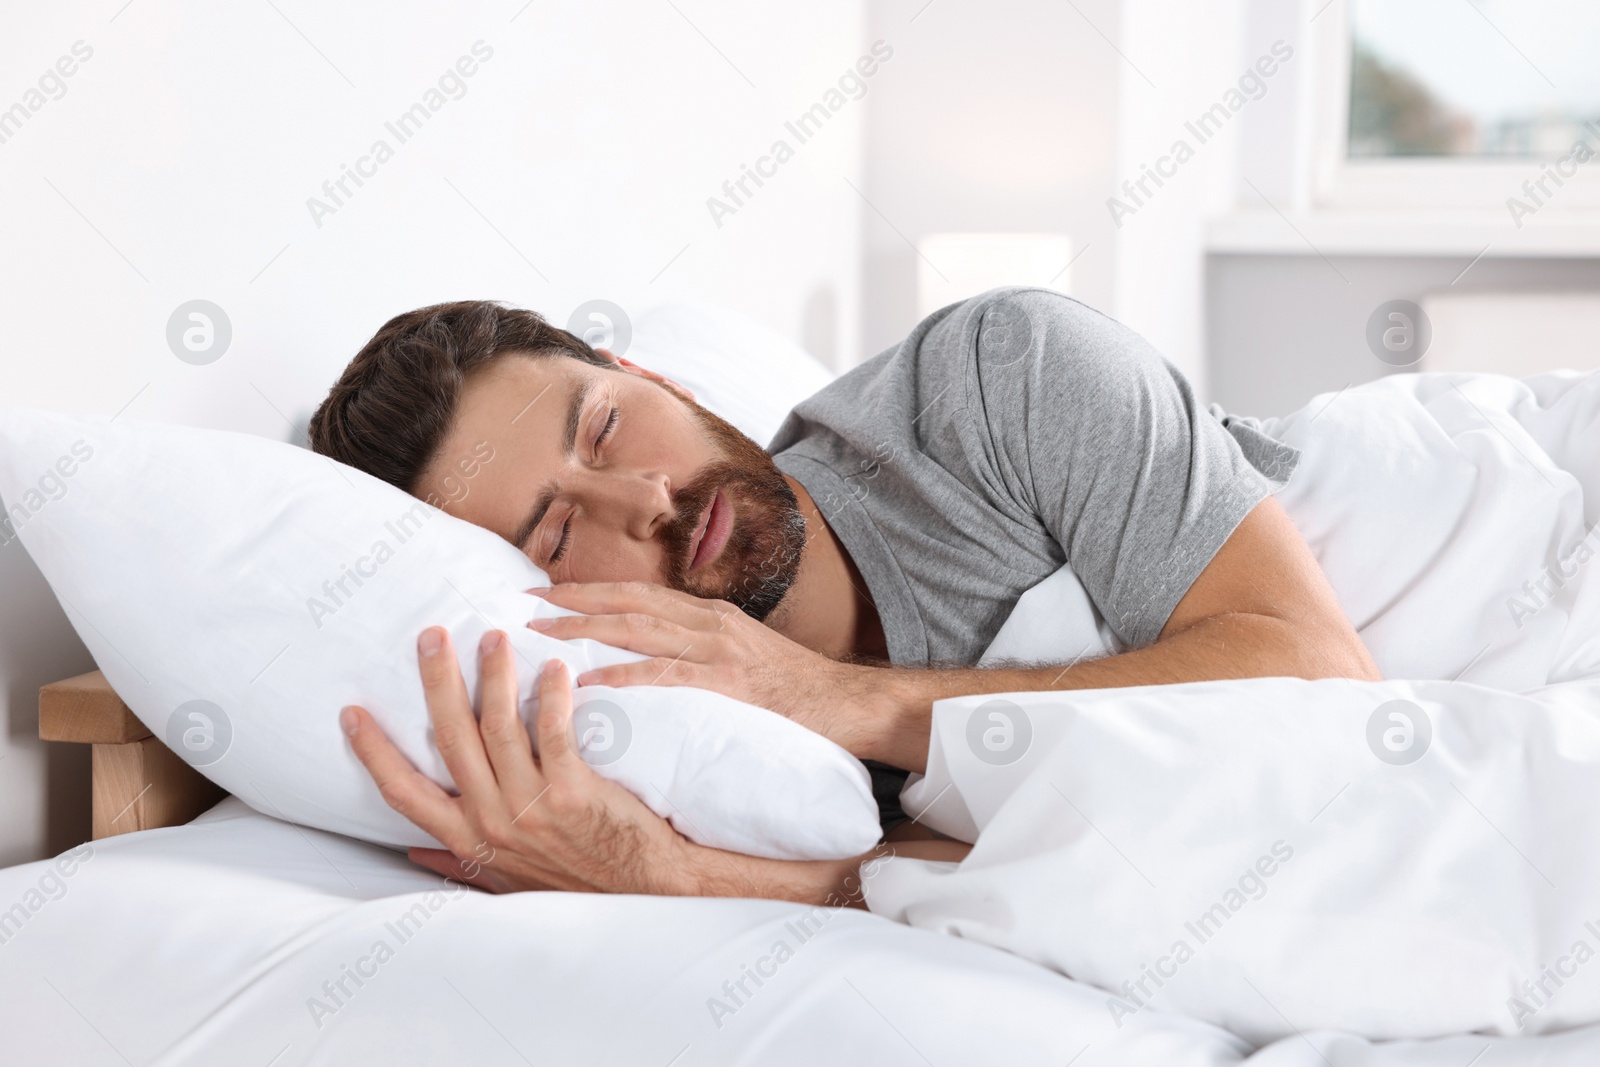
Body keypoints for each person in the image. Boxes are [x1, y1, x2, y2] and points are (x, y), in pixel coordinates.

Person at [308, 287, 1380, 905]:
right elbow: (1046, 882)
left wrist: (833, 693)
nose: (642, 497)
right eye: (554, 529)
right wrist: (669, 871)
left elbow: (1321, 679)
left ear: (659, 379)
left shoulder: (995, 375)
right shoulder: (697, 747)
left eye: (604, 426)